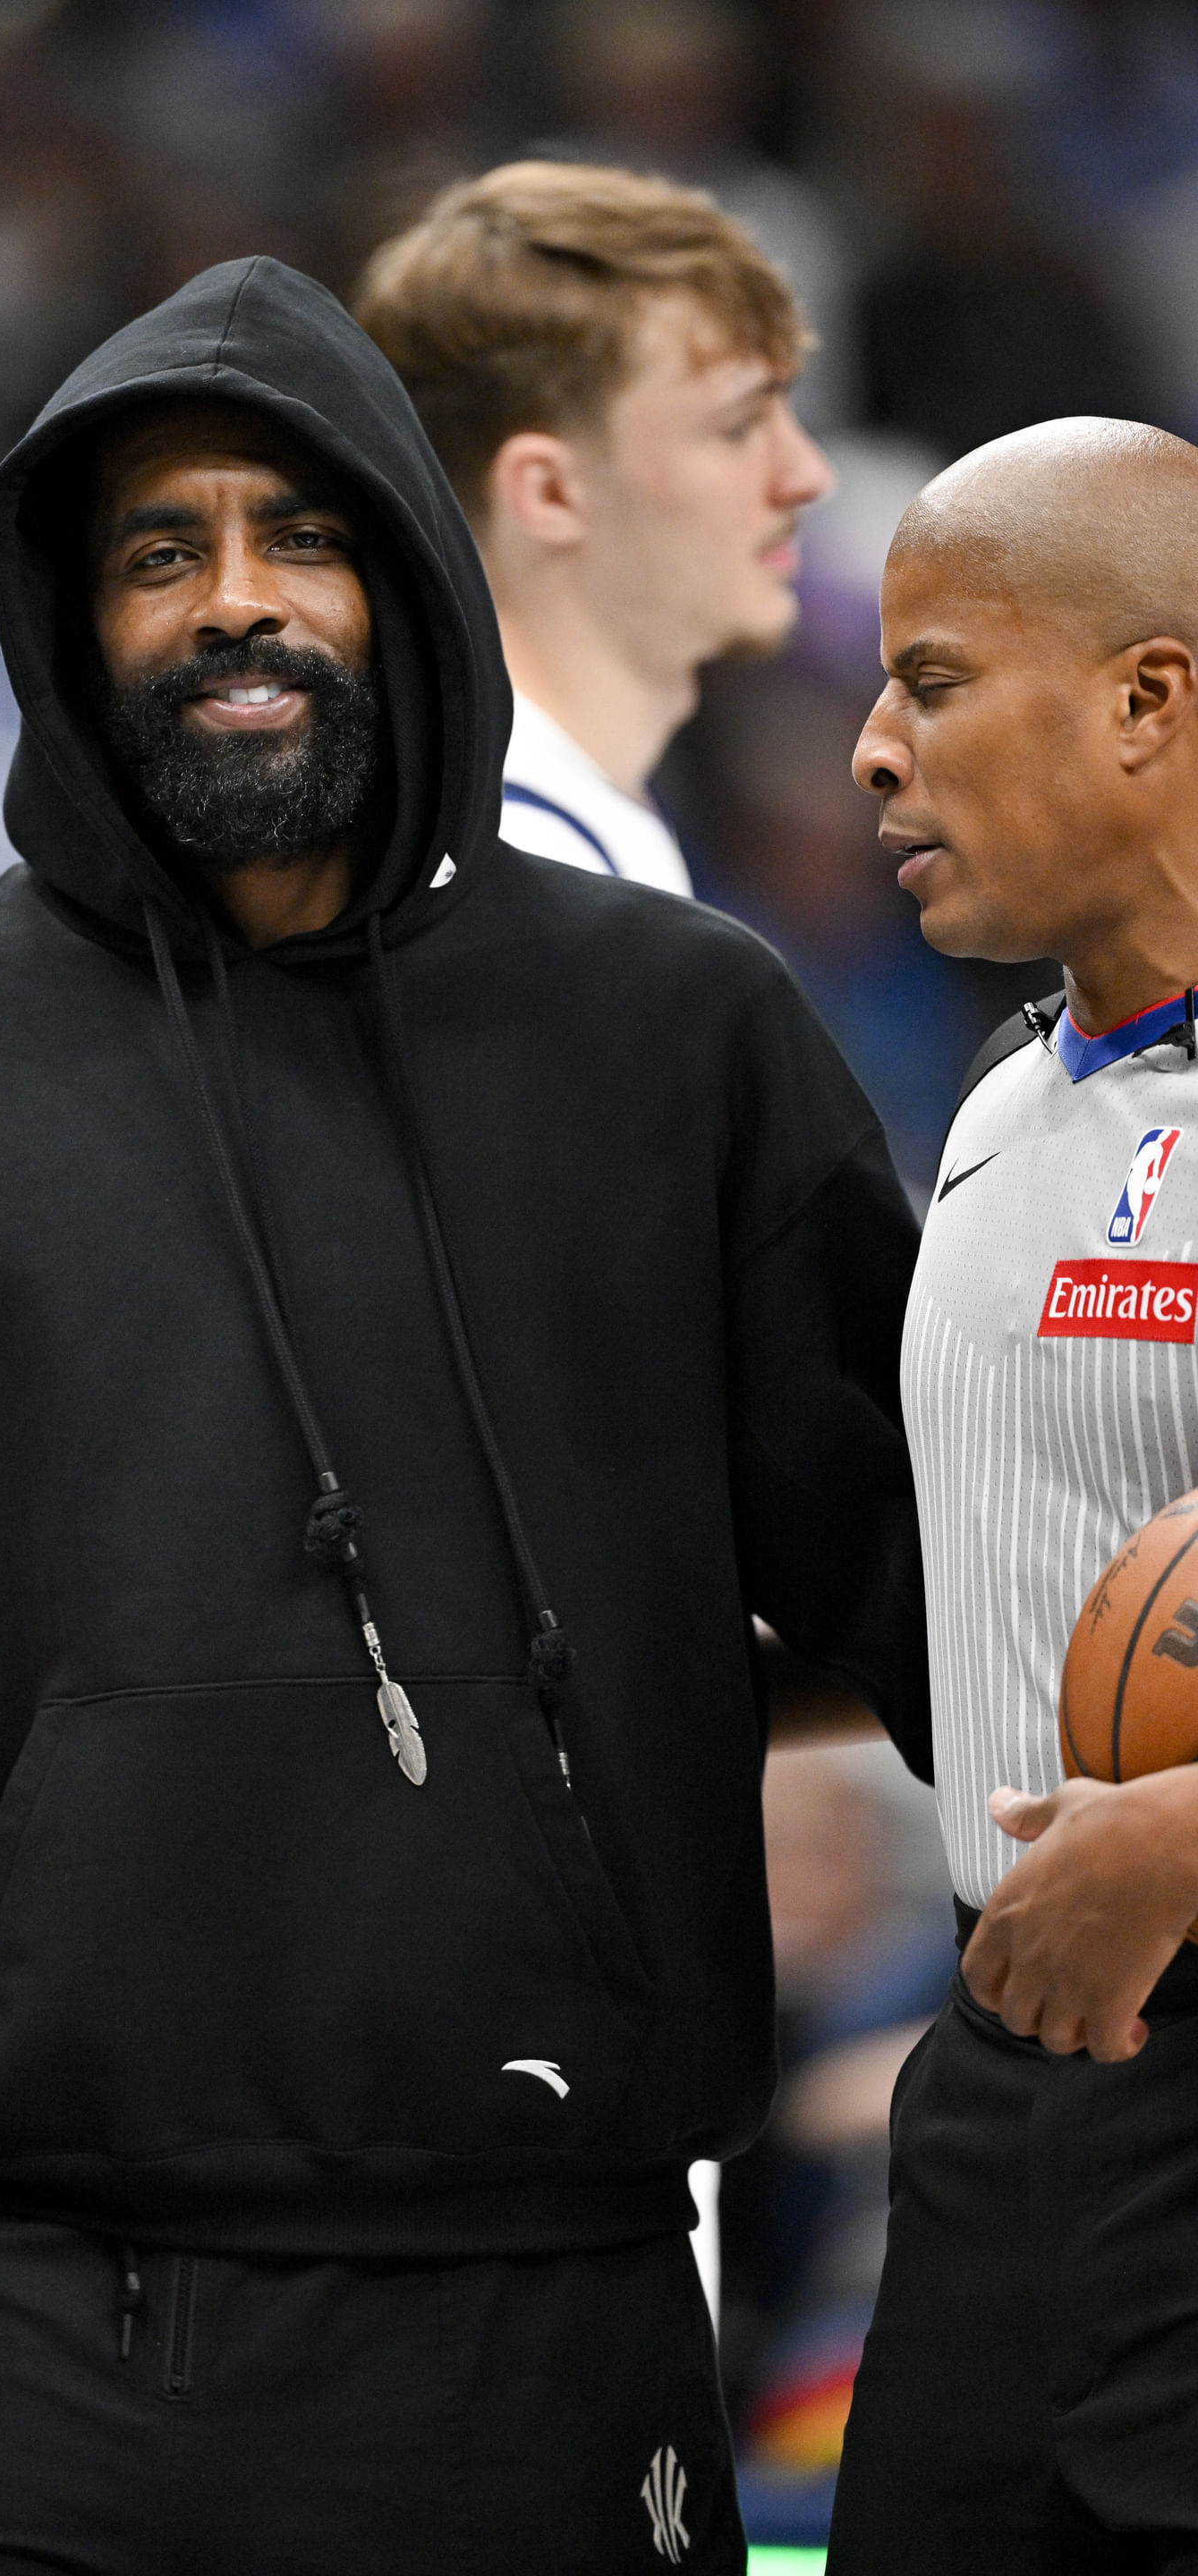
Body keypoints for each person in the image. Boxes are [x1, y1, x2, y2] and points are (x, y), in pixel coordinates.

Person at [0, 256, 928, 2573]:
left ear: (409, 587)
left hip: (551, 2309)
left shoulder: (681, 1038)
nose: (235, 602)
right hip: (5, 2316)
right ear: (71, 614)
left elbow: (936, 1586)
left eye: (297, 535)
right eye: (160, 554)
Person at [832, 416, 1198, 2575]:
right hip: (1003, 2087)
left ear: (1152, 700)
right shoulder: (987, 1106)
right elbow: (961, 1601)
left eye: (935, 679)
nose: (873, 751)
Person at [354, 160, 833, 894]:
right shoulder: (522, 868)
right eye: (739, 427)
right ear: (549, 491)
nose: (805, 476)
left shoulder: (540, 833)